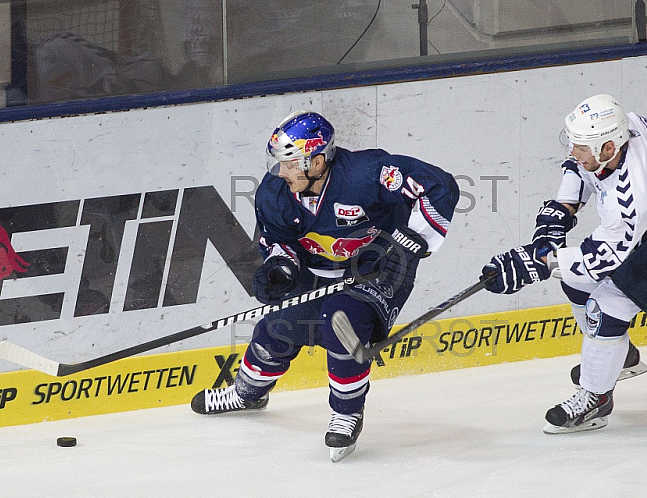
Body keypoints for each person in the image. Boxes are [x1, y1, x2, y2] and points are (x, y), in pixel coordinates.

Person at [191, 110, 459, 461]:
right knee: (278, 326)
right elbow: (276, 239)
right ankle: (247, 393)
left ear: (317, 161)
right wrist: (281, 265)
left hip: (376, 272)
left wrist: (411, 240)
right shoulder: (276, 192)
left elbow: (440, 186)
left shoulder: (367, 175)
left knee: (342, 323)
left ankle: (347, 414)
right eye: (281, 163)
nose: (282, 172)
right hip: (316, 271)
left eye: (291, 164)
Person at [481, 94, 647, 434]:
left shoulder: (637, 192)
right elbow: (579, 167)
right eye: (573, 142)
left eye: (582, 147)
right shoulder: (619, 128)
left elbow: (600, 258)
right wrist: (563, 208)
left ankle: (596, 398)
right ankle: (622, 356)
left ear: (608, 148)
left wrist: (538, 263)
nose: (573, 151)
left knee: (608, 307)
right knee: (575, 283)